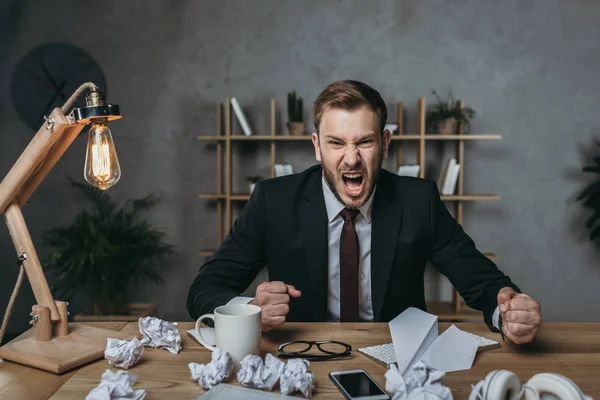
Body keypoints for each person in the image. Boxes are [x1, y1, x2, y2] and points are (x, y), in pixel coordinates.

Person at [187, 80, 542, 344]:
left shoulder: (419, 201)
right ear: (317, 147)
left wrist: (507, 314)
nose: (352, 158)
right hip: (300, 359)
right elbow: (204, 289)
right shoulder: (272, 201)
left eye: (365, 142)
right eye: (336, 142)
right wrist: (250, 309)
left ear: (384, 145)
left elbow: (485, 284)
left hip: (396, 362)